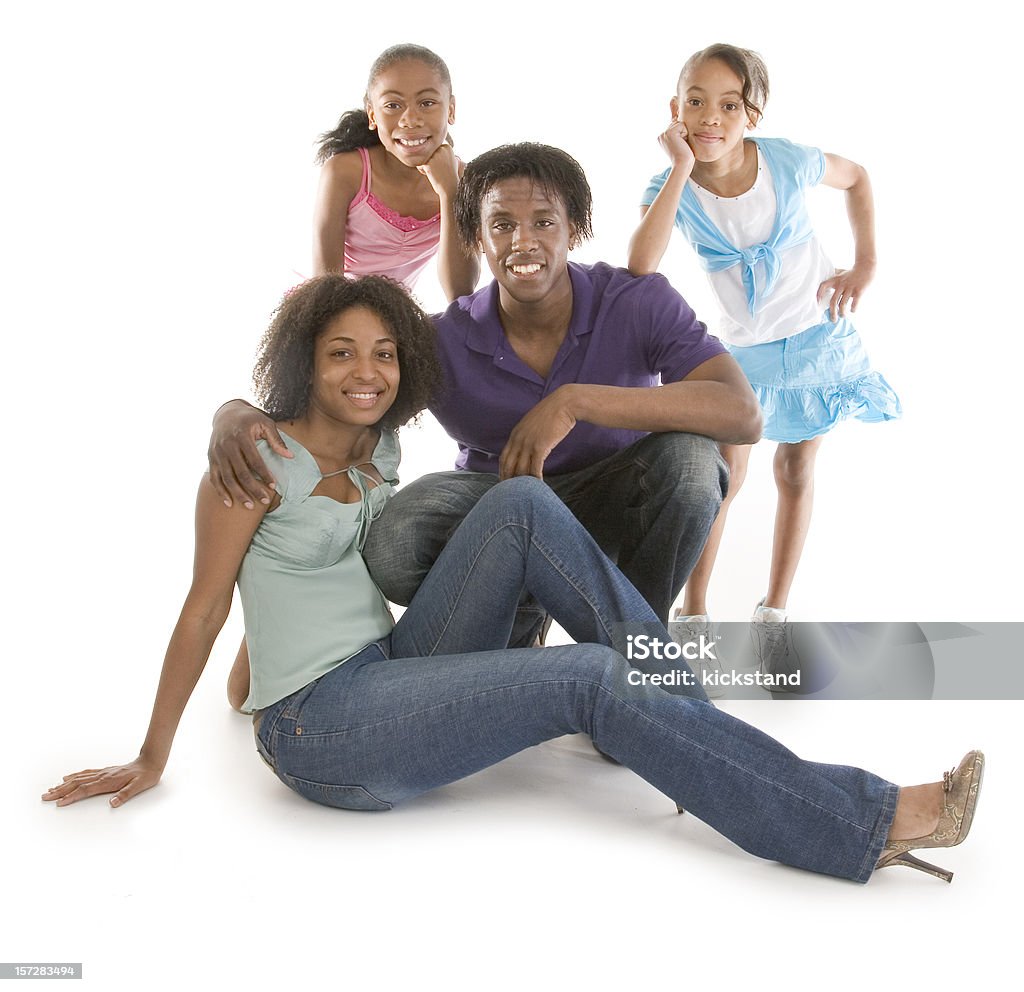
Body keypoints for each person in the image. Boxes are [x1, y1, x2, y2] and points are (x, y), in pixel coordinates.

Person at [42, 274, 983, 885]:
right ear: (303, 363)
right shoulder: (250, 458)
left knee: (518, 504)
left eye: (382, 353)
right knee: (588, 679)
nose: (365, 372)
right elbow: (205, 607)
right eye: (340, 353)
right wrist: (153, 754)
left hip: (390, 666)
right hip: (323, 731)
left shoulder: (383, 444)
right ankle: (859, 822)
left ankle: (684, 719)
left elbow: (309, 574)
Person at [209, 143, 763, 656]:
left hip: (618, 498)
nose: (523, 241)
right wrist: (235, 411)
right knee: (397, 539)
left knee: (692, 462)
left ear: (576, 229)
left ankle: (634, 646)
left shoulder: (637, 301)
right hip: (501, 507)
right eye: (502, 224)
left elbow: (742, 414)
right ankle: (529, 612)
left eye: (545, 222)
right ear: (476, 236)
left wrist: (574, 402)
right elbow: (347, 384)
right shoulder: (441, 340)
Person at [627, 43, 902, 676]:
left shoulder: (787, 161)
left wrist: (864, 263)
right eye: (695, 102)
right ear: (675, 108)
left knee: (798, 469)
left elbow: (857, 176)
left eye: (728, 105)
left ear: (752, 113)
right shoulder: (670, 186)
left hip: (816, 339)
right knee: (723, 480)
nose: (709, 117)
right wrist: (677, 168)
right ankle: (692, 613)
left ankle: (775, 613)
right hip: (741, 354)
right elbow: (641, 264)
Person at [312, 43, 478, 299]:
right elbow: (324, 285)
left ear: (451, 110)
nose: (410, 119)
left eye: (427, 102)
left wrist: (450, 192)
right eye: (392, 105)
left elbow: (460, 293)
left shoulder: (465, 181)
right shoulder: (345, 172)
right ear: (372, 115)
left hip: (394, 313)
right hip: (327, 306)